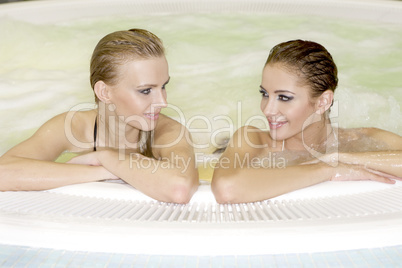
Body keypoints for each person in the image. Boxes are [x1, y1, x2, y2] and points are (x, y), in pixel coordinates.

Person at [0, 29, 199, 204]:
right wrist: (105, 171)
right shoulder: (73, 128)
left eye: (163, 86)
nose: (163, 102)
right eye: (146, 91)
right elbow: (4, 172)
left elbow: (179, 188)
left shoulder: (169, 132)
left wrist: (105, 157)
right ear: (104, 92)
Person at [211, 39, 402, 204]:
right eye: (265, 94)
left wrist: (340, 157)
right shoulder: (254, 141)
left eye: (284, 98)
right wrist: (325, 168)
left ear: (322, 102)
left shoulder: (361, 139)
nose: (267, 109)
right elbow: (227, 188)